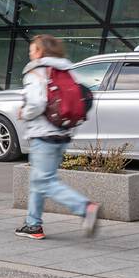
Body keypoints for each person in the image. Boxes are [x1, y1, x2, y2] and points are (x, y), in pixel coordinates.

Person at [15, 34, 101, 240]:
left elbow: (36, 104)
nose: (30, 53)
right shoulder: (68, 70)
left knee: (44, 182)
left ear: (40, 52)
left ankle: (85, 208)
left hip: (43, 133)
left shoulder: (37, 72)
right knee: (40, 179)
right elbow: (83, 97)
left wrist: (24, 112)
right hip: (63, 131)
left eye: (32, 50)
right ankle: (33, 224)